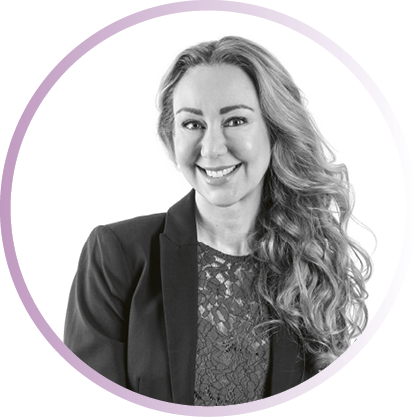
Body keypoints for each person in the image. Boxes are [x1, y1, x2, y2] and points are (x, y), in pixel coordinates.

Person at [64, 36, 372, 406]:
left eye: (236, 120)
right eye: (192, 123)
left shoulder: (311, 261)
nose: (211, 148)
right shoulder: (116, 253)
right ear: (171, 137)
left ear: (275, 129)